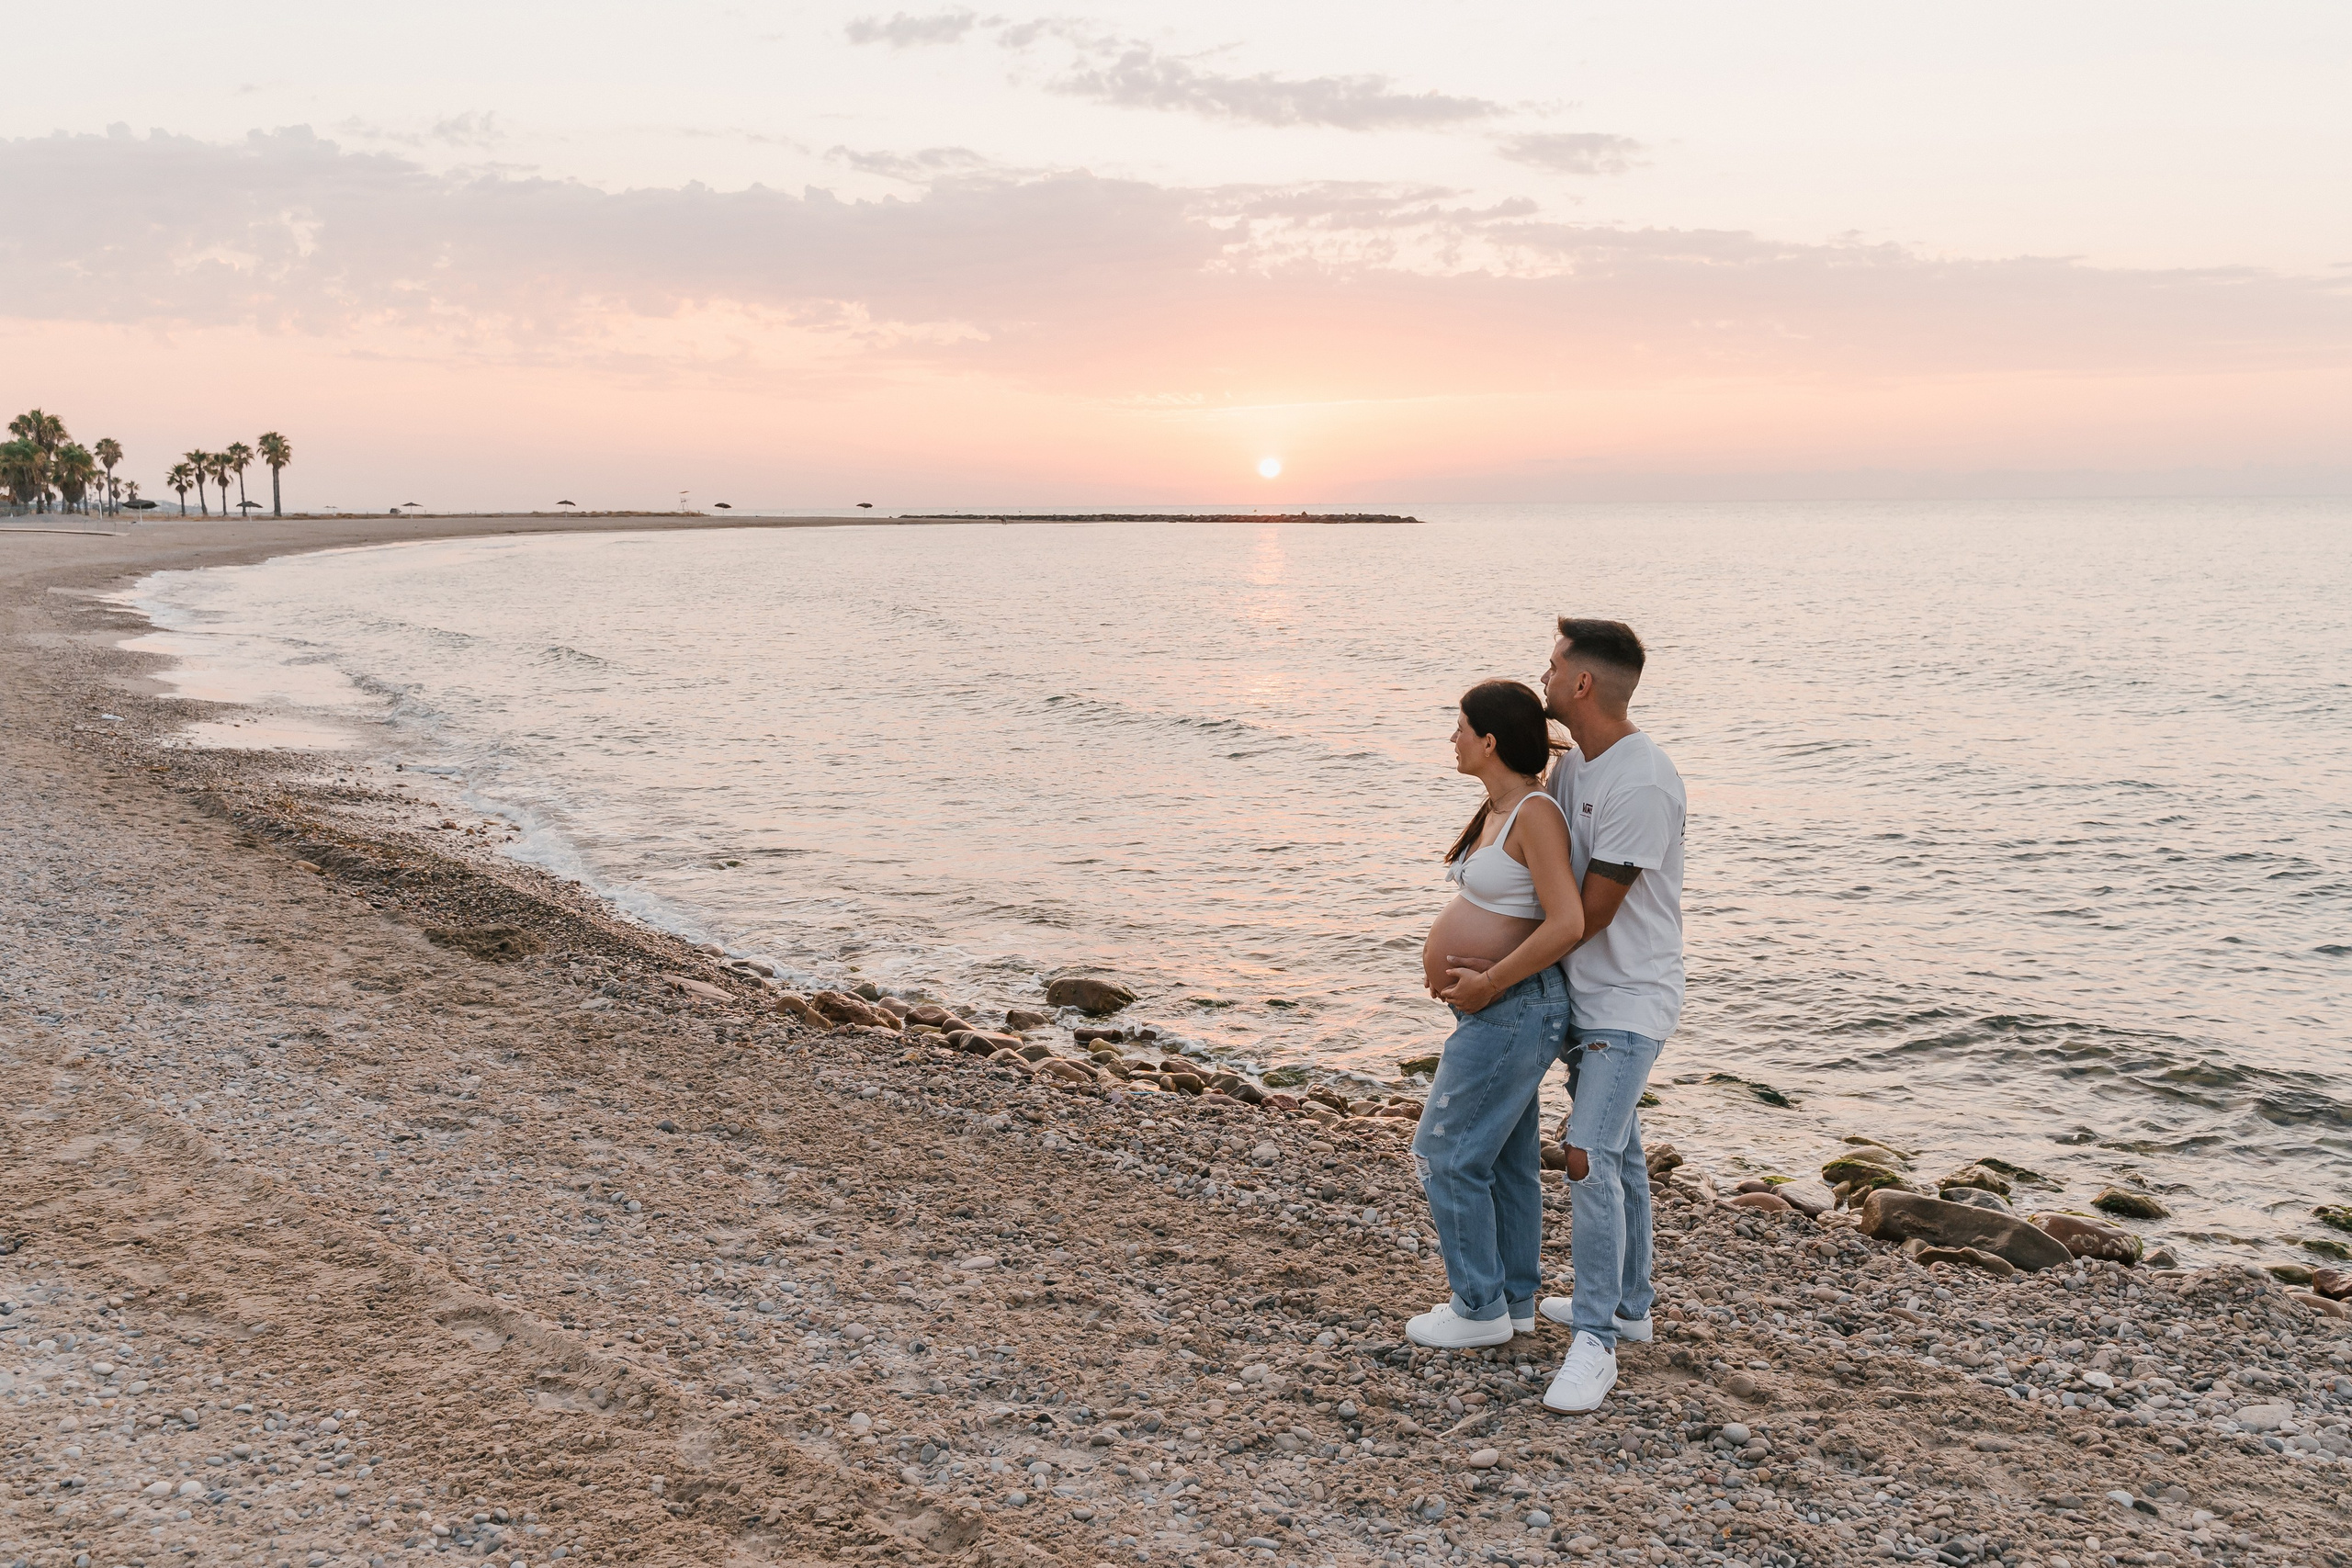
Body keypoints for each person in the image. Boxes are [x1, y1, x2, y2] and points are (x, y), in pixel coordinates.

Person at [1534, 617, 1687, 1413]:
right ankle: (1631, 1310)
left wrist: (1498, 973)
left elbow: (1585, 913)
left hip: (1630, 1000)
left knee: (1587, 1151)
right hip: (1583, 994)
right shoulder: (1576, 769)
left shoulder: (1642, 781)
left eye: (1553, 664)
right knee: (1621, 1151)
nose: (1545, 675)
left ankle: (1593, 1340)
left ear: (1582, 683)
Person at [1406, 681, 1586, 1348]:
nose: (1451, 738)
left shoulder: (1536, 812)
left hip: (1516, 1008)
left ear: (1489, 740)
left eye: (1459, 727)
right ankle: (1512, 1300)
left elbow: (1566, 921)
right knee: (1505, 1160)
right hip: (1496, 1011)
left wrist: (1488, 982)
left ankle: (1476, 1306)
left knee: (1443, 1153)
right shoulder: (1498, 806)